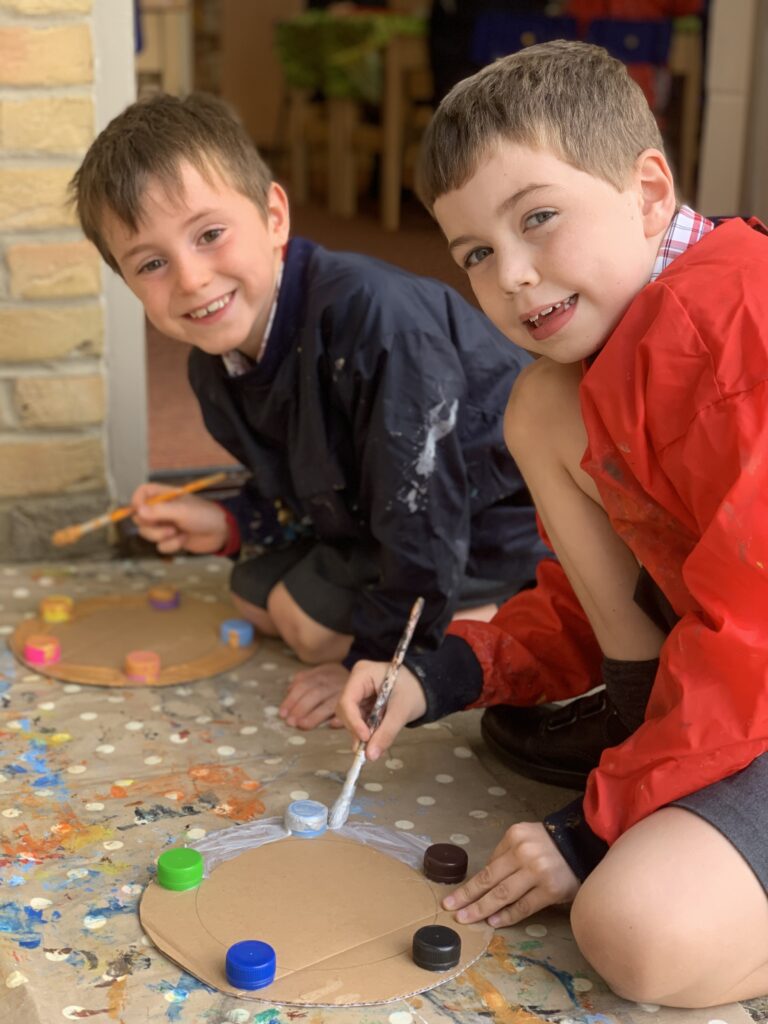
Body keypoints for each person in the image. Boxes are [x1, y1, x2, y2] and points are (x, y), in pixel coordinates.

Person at [338, 40, 768, 1006]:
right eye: (479, 253)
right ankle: (657, 756)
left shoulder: (735, 336)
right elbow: (612, 583)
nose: (515, 276)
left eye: (539, 219)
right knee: (541, 404)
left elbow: (754, 640)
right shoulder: (619, 352)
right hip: (734, 674)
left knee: (636, 932)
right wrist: (443, 672)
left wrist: (597, 827)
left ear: (650, 191)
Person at [69, 92, 545, 731]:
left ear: (273, 216)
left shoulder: (378, 322)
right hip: (374, 514)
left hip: (495, 527)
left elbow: (422, 515)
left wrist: (376, 660)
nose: (189, 279)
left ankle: (521, 614)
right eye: (151, 264)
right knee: (252, 595)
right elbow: (313, 481)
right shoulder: (213, 365)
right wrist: (231, 522)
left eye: (210, 235)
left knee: (307, 624)